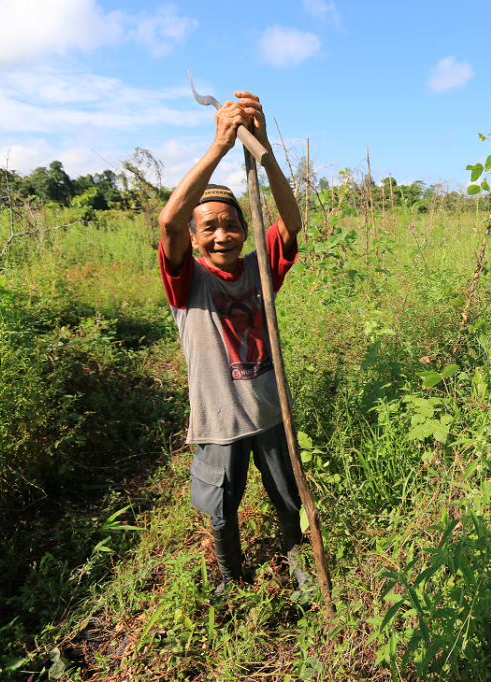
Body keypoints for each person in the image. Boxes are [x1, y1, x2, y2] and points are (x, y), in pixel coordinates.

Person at [157, 90, 307, 589]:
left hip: (269, 410)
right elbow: (168, 220)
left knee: (287, 496)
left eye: (230, 225)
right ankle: (230, 576)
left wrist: (262, 147)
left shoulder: (260, 268)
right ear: (195, 240)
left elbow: (291, 222)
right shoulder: (187, 280)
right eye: (209, 229)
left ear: (245, 230)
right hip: (218, 419)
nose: (221, 235)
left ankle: (301, 568)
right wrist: (221, 144)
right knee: (221, 505)